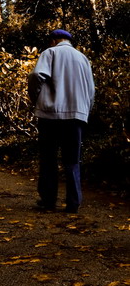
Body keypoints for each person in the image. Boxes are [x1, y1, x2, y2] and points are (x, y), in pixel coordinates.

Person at [28, 29, 95, 214]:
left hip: (51, 115)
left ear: (54, 40)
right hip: (76, 116)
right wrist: (85, 111)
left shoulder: (50, 53)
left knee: (48, 159)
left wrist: (36, 98)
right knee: (72, 160)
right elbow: (91, 90)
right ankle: (73, 202)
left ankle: (49, 200)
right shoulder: (83, 58)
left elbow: (36, 76)